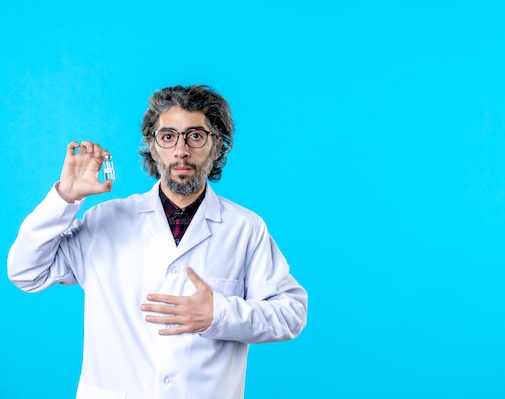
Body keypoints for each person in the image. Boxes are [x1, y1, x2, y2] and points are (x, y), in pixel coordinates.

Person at [7, 84, 308, 399]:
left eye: (195, 136)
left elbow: (291, 313)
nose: (181, 151)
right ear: (151, 146)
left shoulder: (246, 228)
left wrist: (219, 314)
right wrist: (65, 199)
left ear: (217, 146)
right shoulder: (105, 221)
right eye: (168, 137)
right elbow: (26, 272)